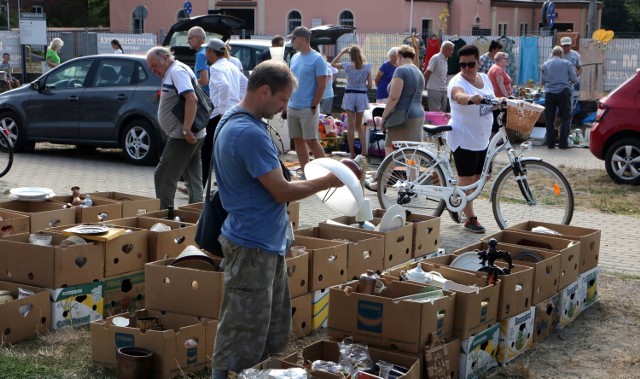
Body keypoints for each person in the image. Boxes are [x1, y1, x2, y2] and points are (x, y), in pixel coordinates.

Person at [211, 60, 341, 379]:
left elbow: (264, 177)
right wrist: (328, 180)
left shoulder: (235, 120)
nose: (285, 108)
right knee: (240, 337)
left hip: (264, 245)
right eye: (283, 99)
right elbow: (281, 191)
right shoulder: (247, 131)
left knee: (270, 331)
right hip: (252, 247)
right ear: (264, 91)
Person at [447, 44, 498, 233]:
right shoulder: (456, 82)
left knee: (482, 177)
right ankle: (470, 219)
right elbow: (457, 95)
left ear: (478, 63)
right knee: (467, 179)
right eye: (462, 65)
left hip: (483, 138)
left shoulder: (484, 78)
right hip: (464, 137)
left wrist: (499, 102)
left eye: (470, 64)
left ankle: (456, 199)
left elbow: (490, 102)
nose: (466, 69)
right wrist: (469, 98)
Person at [146, 46, 205, 210]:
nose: (152, 70)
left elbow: (191, 99)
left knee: (163, 176)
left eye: (154, 66)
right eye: (150, 67)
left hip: (182, 136)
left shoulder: (177, 71)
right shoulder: (177, 70)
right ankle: (196, 215)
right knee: (193, 177)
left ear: (165, 58)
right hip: (191, 133)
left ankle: (166, 216)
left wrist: (186, 129)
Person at [201, 38, 248, 185]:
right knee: (224, 148)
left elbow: (225, 87)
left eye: (206, 51)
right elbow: (245, 84)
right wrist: (238, 103)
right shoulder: (231, 65)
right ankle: (220, 181)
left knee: (207, 149)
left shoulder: (215, 68)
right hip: (232, 111)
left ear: (211, 52)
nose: (205, 54)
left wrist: (222, 111)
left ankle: (200, 184)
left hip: (218, 114)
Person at [285, 26, 328, 174]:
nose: (292, 42)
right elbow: (291, 81)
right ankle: (305, 170)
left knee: (311, 140)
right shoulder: (295, 57)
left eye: (294, 38)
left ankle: (327, 172)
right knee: (297, 140)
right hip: (293, 105)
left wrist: (314, 104)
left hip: (308, 107)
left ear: (303, 39)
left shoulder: (317, 58)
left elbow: (322, 84)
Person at [331, 45, 372, 158]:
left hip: (349, 94)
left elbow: (332, 64)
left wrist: (341, 53)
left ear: (350, 55)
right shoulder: (367, 66)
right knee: (359, 126)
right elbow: (370, 86)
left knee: (350, 125)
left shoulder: (348, 66)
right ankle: (364, 151)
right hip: (361, 95)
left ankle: (352, 152)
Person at [541, 46, 578, 150]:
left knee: (549, 119)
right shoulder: (567, 63)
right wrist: (567, 82)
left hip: (549, 93)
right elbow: (574, 79)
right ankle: (563, 143)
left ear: (552, 54)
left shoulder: (546, 64)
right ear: (561, 54)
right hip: (563, 92)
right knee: (565, 118)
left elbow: (542, 81)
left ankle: (550, 143)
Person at [424, 41, 454, 112]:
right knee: (436, 112)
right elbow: (427, 72)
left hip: (443, 89)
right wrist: (424, 85)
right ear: (446, 49)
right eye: (451, 49)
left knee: (442, 112)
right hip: (434, 89)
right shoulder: (436, 58)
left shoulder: (445, 60)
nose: (452, 52)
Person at [487, 52, 512, 133]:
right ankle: (496, 138)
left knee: (496, 118)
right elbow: (501, 85)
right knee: (497, 118)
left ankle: (496, 137)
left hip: (497, 98)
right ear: (500, 59)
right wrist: (508, 97)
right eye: (506, 59)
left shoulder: (496, 68)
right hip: (498, 98)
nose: (508, 61)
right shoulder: (498, 69)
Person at [188, 26, 210, 96]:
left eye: (189, 38)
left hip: (206, 98)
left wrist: (188, 84)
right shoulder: (207, 52)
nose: (188, 41)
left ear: (197, 38)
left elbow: (204, 81)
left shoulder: (200, 55)